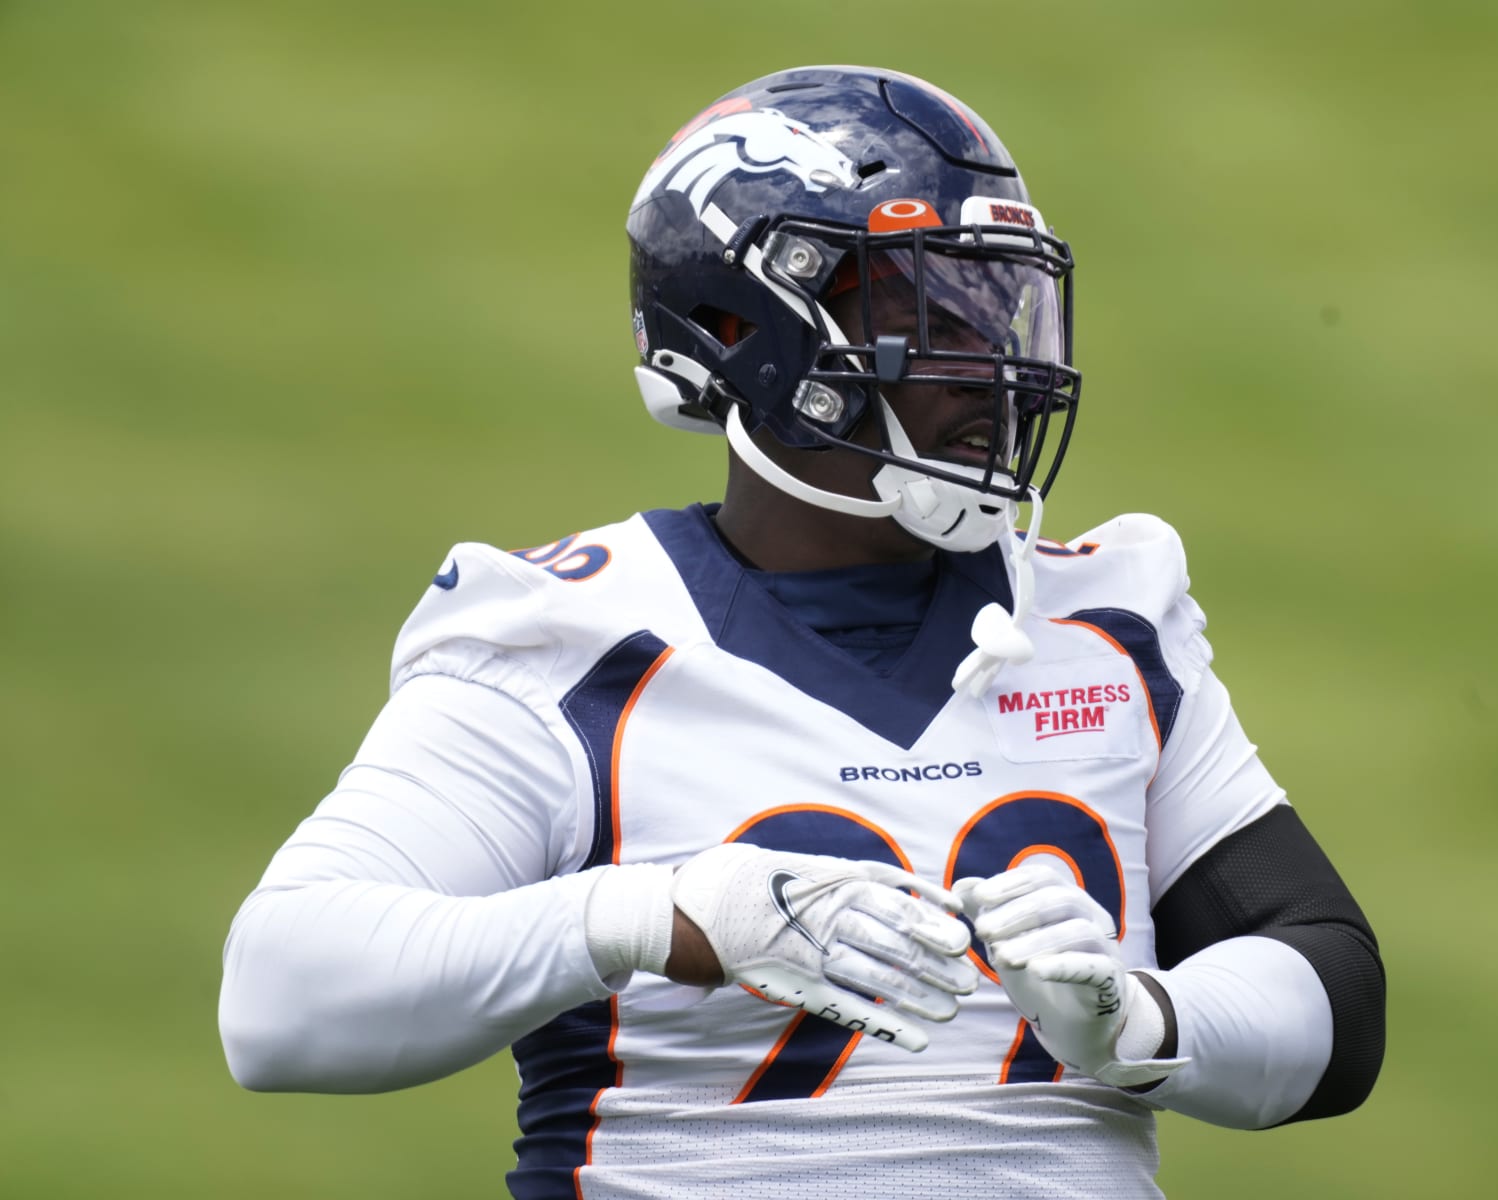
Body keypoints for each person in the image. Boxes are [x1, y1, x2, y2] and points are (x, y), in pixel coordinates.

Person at [219, 65, 1385, 1199]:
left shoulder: (1106, 620)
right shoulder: (569, 637)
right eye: (924, 306)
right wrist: (652, 918)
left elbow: (1335, 992)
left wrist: (1144, 1017)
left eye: (997, 301)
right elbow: (281, 998)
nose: (994, 362)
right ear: (747, 332)